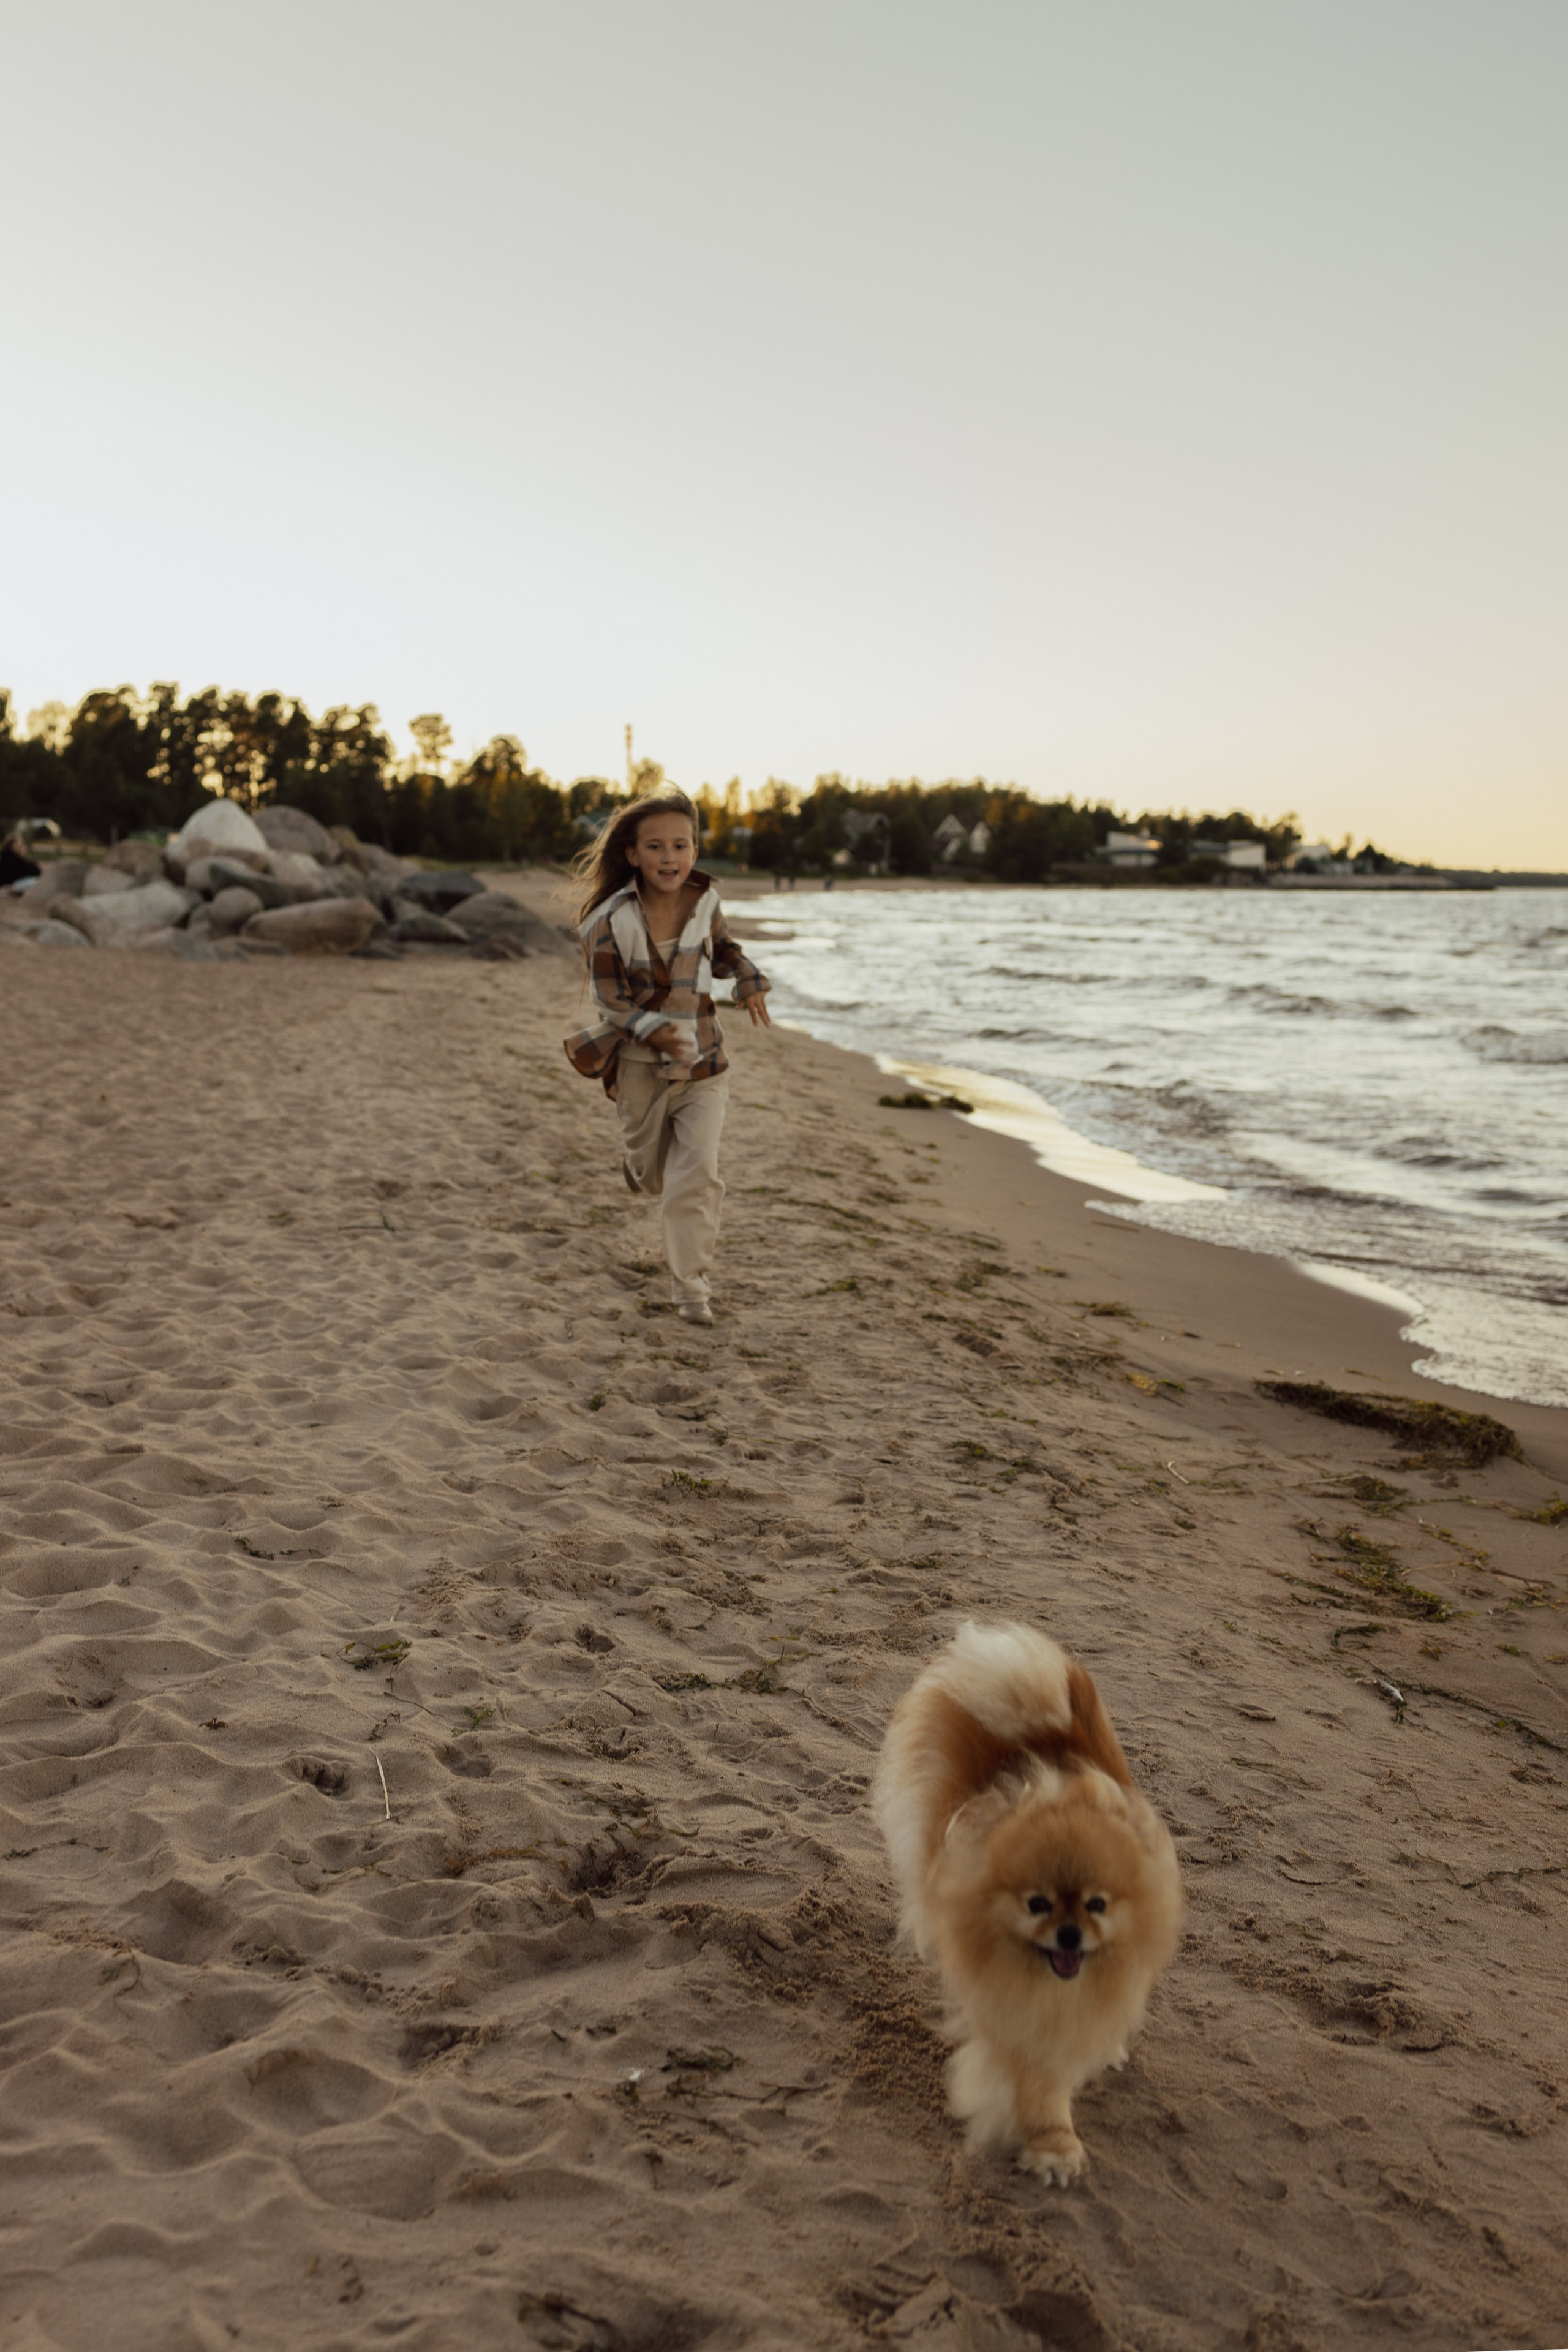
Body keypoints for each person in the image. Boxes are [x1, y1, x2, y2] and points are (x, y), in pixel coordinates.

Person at [564, 791, 771, 1325]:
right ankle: (639, 1165)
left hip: (705, 1062)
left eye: (680, 845)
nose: (669, 856)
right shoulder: (608, 921)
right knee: (653, 1176)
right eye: (655, 846)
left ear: (695, 851)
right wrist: (653, 1030)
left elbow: (724, 950)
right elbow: (611, 1000)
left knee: (697, 1175)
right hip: (640, 1069)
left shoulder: (707, 901)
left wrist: (747, 977)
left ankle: (691, 1289)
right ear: (633, 855)